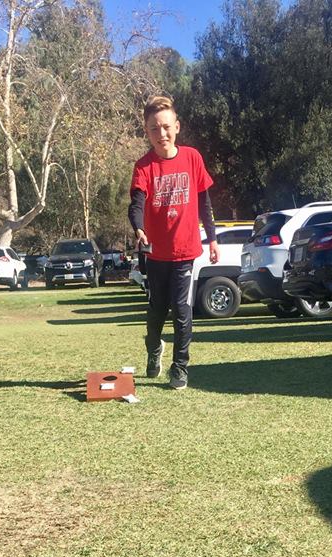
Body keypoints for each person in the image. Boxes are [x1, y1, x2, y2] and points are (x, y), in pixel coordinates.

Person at [128, 94, 219, 391]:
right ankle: (154, 349)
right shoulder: (144, 166)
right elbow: (136, 203)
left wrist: (213, 239)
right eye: (154, 128)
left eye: (166, 127)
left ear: (177, 127)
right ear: (147, 131)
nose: (161, 134)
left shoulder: (192, 158)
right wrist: (138, 228)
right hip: (156, 254)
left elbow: (205, 203)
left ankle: (180, 367)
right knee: (156, 309)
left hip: (184, 251)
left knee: (181, 309)